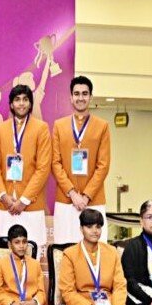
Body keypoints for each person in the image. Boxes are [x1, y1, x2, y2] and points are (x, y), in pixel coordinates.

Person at [0, 84, 52, 255]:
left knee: (32, 254)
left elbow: (43, 169)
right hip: (7, 205)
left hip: (31, 205)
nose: (21, 103)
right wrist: (4, 196)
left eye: (25, 99)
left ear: (30, 103)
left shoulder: (41, 128)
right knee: (5, 255)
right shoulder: (1, 129)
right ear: (11, 104)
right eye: (17, 100)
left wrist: (24, 200)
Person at [51, 76, 110, 244]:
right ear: (71, 97)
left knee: (95, 248)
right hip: (65, 200)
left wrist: (86, 196)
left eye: (85, 93)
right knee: (63, 248)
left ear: (90, 97)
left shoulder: (102, 126)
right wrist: (72, 193)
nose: (80, 98)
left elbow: (103, 165)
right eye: (76, 94)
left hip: (93, 200)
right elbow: (55, 163)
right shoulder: (59, 125)